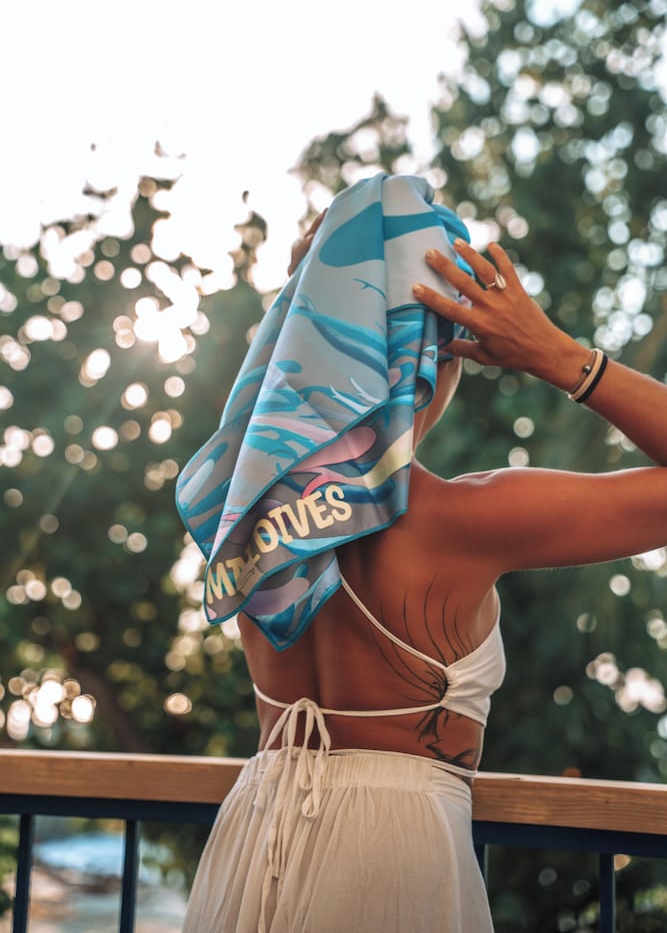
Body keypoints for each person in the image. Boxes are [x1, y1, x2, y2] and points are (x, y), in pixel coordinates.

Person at [178, 175, 667, 933]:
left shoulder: (242, 516)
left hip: (251, 837)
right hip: (391, 855)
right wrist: (558, 355)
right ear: (431, 355)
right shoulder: (461, 520)